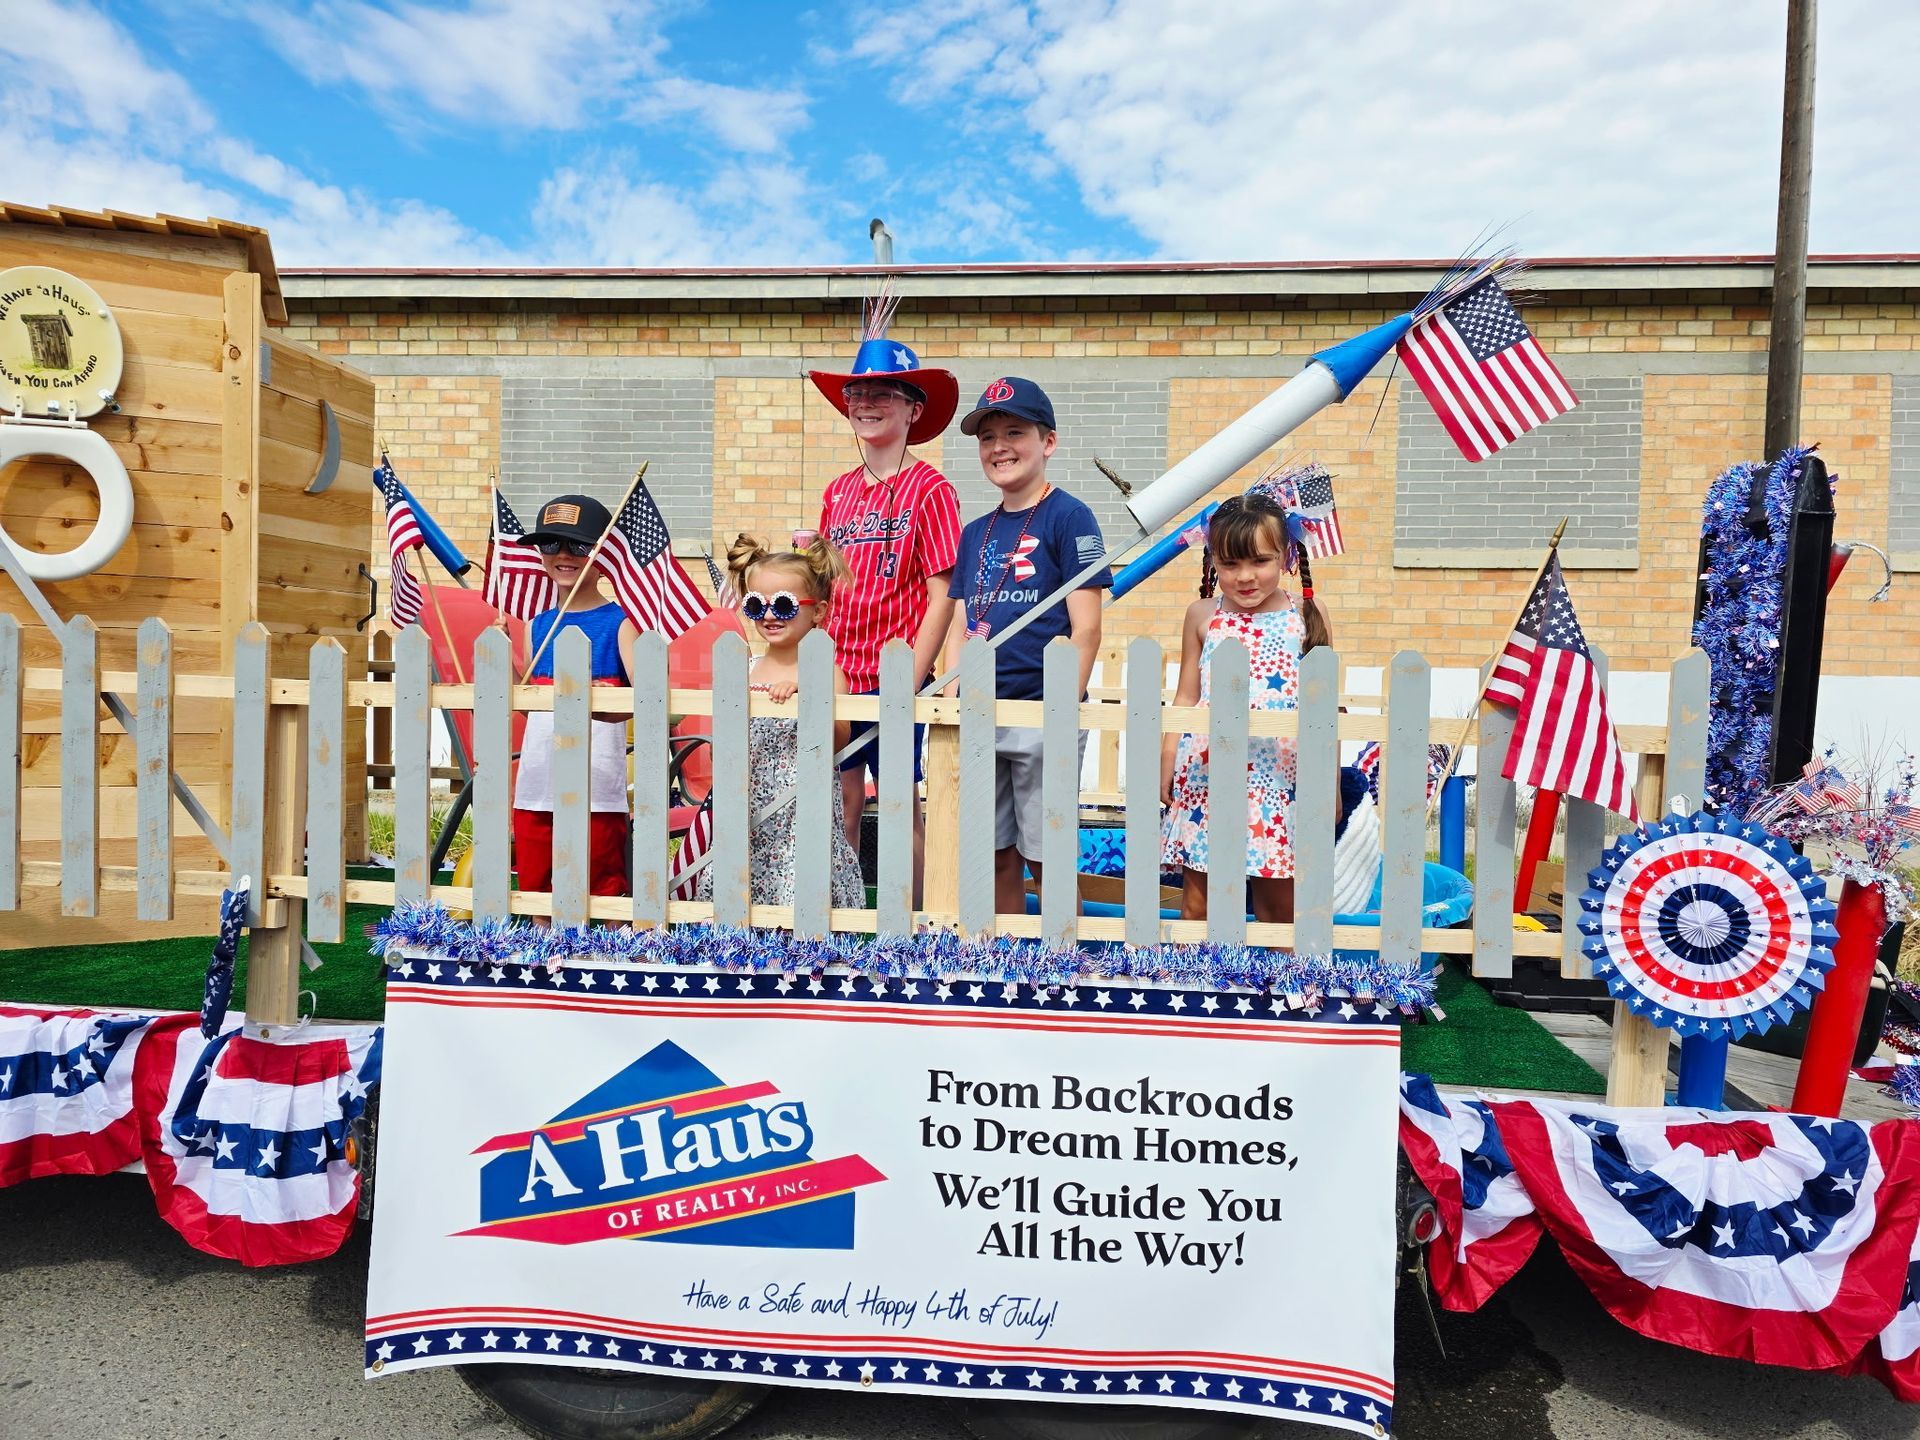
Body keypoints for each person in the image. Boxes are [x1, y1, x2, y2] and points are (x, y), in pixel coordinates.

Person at [945, 377, 1110, 915]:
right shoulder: (975, 531)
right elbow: (961, 619)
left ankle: (1066, 961)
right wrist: (950, 694)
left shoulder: (1070, 516)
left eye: (1015, 431)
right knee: (992, 851)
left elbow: (1086, 627)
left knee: (1048, 853)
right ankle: (1005, 958)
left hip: (1042, 709)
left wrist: (1063, 703)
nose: (999, 447)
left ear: (1049, 442)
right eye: (987, 436)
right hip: (980, 708)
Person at [808, 317, 961, 888]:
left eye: (882, 393)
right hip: (839, 674)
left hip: (895, 671)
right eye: (857, 392)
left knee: (901, 804)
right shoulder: (837, 492)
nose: (866, 403)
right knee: (838, 798)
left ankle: (916, 930)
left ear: (913, 410)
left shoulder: (932, 488)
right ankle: (839, 921)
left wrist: (913, 675)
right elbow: (822, 587)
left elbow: (943, 589)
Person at [1159, 490, 1333, 923]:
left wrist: (1327, 782)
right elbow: (1186, 695)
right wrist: (1167, 757)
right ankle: (1198, 985)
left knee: (1278, 905)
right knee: (1200, 902)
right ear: (1212, 561)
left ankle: (1280, 987)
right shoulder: (1202, 614)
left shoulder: (1306, 613)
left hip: (1280, 777)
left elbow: (1324, 709)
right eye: (1230, 564)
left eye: (1260, 560)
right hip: (1208, 772)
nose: (1245, 576)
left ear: (1287, 555)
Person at [694, 534, 865, 909]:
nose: (769, 616)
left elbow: (839, 739)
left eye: (784, 605)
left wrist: (808, 700)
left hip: (802, 805)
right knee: (742, 878)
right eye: (756, 606)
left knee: (800, 877)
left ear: (818, 610)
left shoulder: (827, 671)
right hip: (748, 800)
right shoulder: (749, 668)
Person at [511, 494, 639, 908]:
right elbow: (528, 702)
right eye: (550, 545)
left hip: (595, 780)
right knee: (535, 877)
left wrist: (594, 705)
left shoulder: (620, 623)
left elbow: (645, 704)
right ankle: (541, 951)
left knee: (603, 877)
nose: (563, 555)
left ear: (605, 554)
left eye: (579, 546)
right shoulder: (537, 626)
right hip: (537, 778)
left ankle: (614, 951)